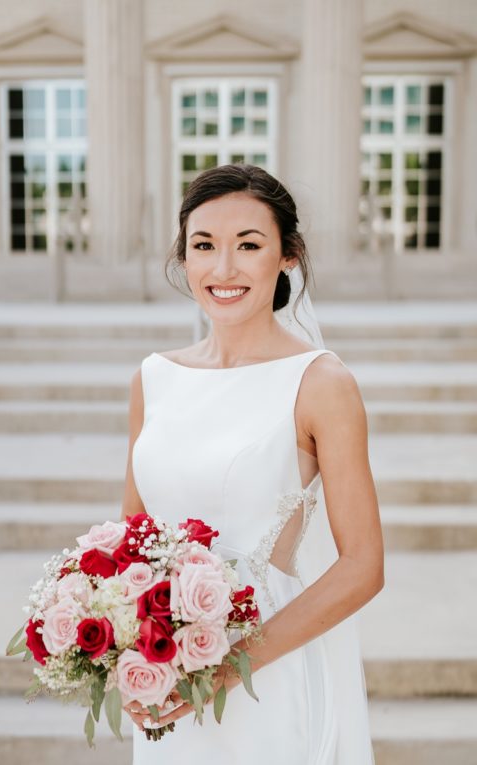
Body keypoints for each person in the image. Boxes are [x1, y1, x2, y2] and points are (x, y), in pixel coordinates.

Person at [122, 164, 383, 763]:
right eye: (204, 246)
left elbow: (364, 565)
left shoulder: (321, 383)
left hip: (268, 671)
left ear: (288, 256)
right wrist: (120, 652)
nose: (224, 269)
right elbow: (131, 542)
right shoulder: (153, 378)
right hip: (165, 675)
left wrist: (232, 666)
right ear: (183, 257)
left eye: (249, 245)